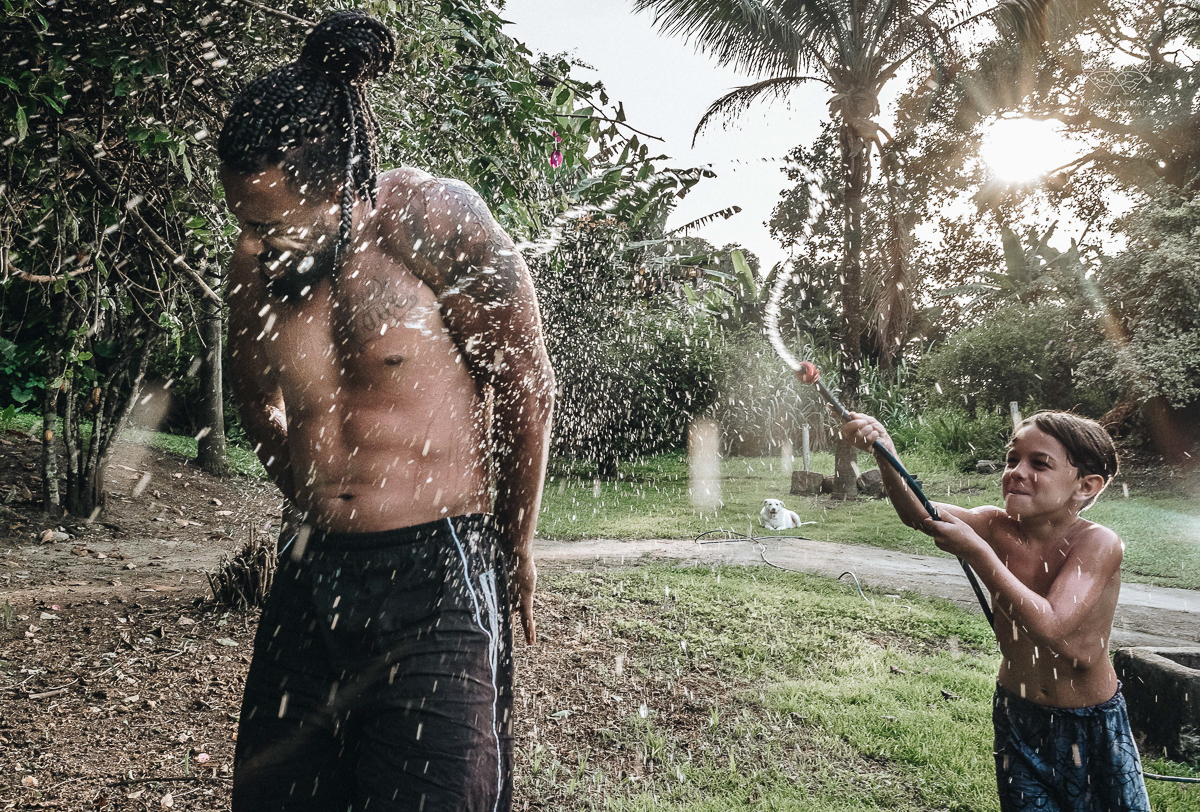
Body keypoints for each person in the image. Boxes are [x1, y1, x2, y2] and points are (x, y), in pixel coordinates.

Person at [216, 11, 554, 811]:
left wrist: (516, 545)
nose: (253, 244)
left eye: (267, 223)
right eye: (242, 222)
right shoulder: (256, 264)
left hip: (438, 574)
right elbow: (251, 394)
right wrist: (307, 489)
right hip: (310, 577)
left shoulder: (432, 222)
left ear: (336, 188)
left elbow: (525, 385)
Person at [842, 410, 1151, 812]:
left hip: (1090, 722)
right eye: (1012, 460)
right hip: (1017, 713)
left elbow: (1052, 626)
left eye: (1039, 463)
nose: (1017, 472)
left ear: (1086, 485)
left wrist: (978, 552)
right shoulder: (994, 525)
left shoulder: (1097, 543)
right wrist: (885, 452)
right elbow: (918, 513)